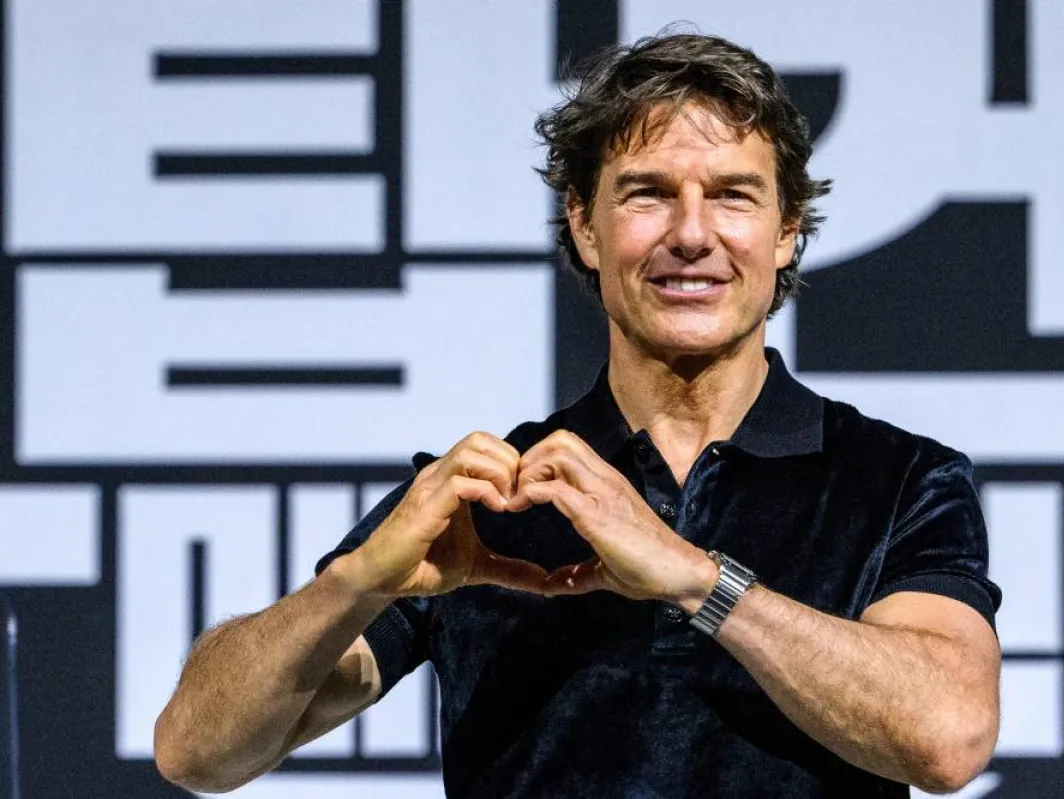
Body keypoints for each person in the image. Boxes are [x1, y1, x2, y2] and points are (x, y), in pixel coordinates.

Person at [153, 32, 1001, 797]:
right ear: (585, 228)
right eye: (647, 194)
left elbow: (948, 737)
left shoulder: (898, 480)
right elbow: (197, 752)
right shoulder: (492, 496)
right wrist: (355, 582)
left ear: (787, 231)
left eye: (734, 196)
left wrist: (697, 581)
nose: (692, 234)